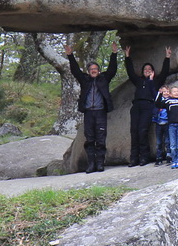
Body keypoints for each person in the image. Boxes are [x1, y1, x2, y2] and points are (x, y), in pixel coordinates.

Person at [66, 42, 119, 173]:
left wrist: (114, 53)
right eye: (91, 69)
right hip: (89, 113)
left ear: (98, 70)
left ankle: (100, 163)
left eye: (95, 69)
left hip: (101, 112)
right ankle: (91, 164)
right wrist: (70, 56)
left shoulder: (104, 78)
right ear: (88, 71)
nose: (93, 70)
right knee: (89, 139)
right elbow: (75, 71)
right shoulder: (85, 80)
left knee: (100, 138)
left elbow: (112, 69)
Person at [125, 46, 171, 166]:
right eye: (145, 69)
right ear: (142, 71)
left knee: (143, 130)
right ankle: (134, 158)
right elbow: (130, 72)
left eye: (150, 69)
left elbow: (165, 72)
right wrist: (127, 57)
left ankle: (144, 157)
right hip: (136, 106)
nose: (147, 70)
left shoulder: (156, 81)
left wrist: (167, 57)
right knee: (134, 131)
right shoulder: (138, 81)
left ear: (153, 71)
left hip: (148, 106)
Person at [152, 85, 170, 166]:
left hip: (167, 123)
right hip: (159, 123)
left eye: (167, 91)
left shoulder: (170, 100)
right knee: (159, 142)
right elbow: (155, 105)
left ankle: (169, 156)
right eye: (164, 91)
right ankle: (159, 158)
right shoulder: (158, 100)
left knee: (167, 141)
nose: (166, 93)